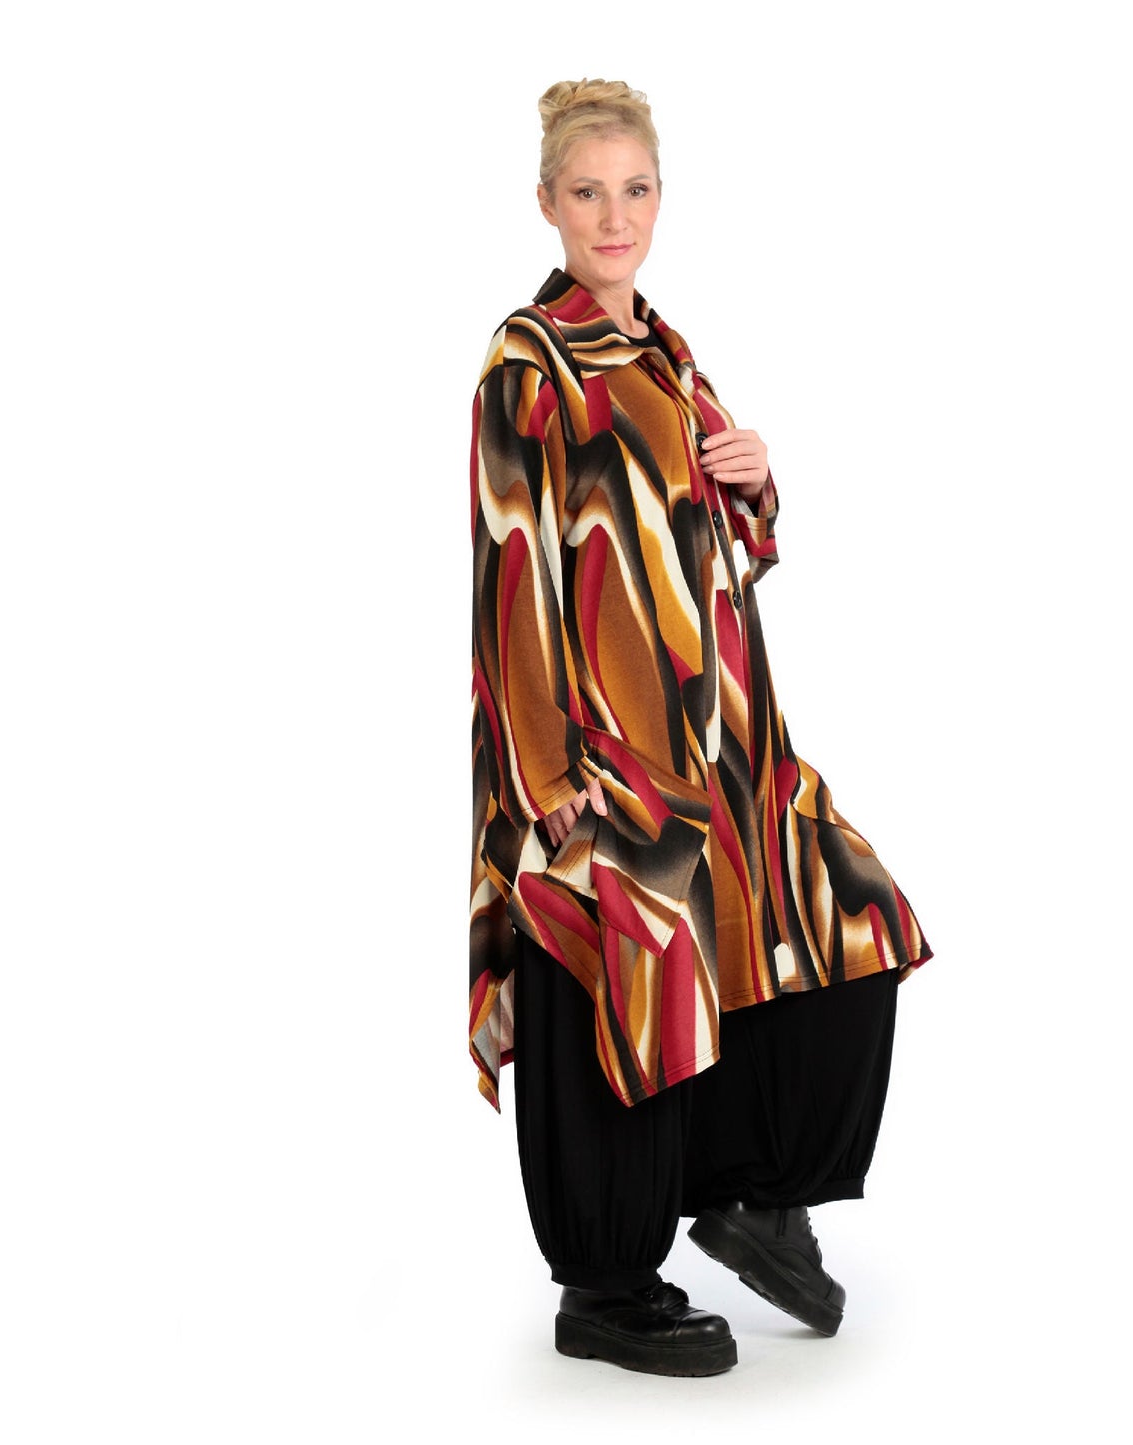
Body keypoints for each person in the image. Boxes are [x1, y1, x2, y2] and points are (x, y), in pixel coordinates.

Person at [468, 78, 934, 1377]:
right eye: (587, 193)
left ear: (659, 199)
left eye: (634, 190)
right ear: (546, 204)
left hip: (727, 741)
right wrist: (546, 773)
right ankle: (606, 1284)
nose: (612, 216)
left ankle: (754, 1195)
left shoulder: (669, 355)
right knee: (621, 962)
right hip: (604, 751)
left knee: (847, 917)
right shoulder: (529, 363)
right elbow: (511, 561)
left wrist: (755, 476)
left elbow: (730, 548)